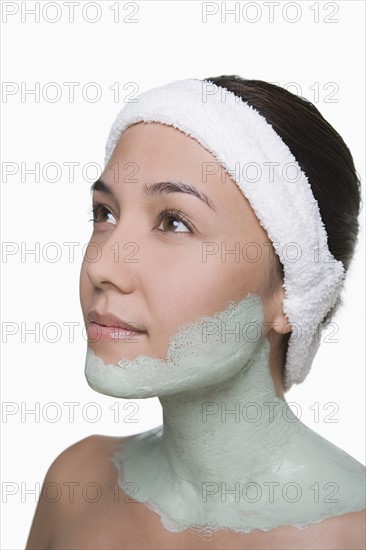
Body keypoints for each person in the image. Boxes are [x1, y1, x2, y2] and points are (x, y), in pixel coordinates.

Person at [26, 75, 365, 549]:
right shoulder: (76, 485)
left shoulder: (351, 534)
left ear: (291, 295)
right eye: (105, 214)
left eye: (174, 222)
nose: (102, 265)